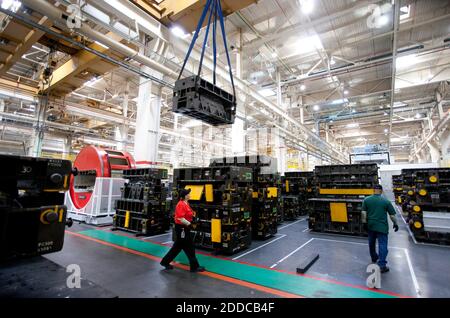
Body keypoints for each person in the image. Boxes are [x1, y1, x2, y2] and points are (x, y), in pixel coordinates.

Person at [160, 188, 205, 272]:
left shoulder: (186, 203)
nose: (190, 194)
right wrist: (190, 224)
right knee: (189, 247)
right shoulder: (181, 204)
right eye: (188, 194)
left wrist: (193, 217)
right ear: (185, 196)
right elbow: (180, 218)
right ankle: (194, 267)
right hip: (182, 229)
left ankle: (165, 262)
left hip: (184, 228)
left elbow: (189, 213)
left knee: (177, 248)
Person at [361, 184, 399, 273]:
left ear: (373, 190)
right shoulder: (386, 201)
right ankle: (382, 265)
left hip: (371, 226)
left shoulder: (366, 200)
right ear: (381, 191)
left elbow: (363, 213)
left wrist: (364, 223)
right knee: (383, 245)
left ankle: (374, 258)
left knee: (371, 242)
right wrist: (395, 224)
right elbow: (392, 215)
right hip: (382, 227)